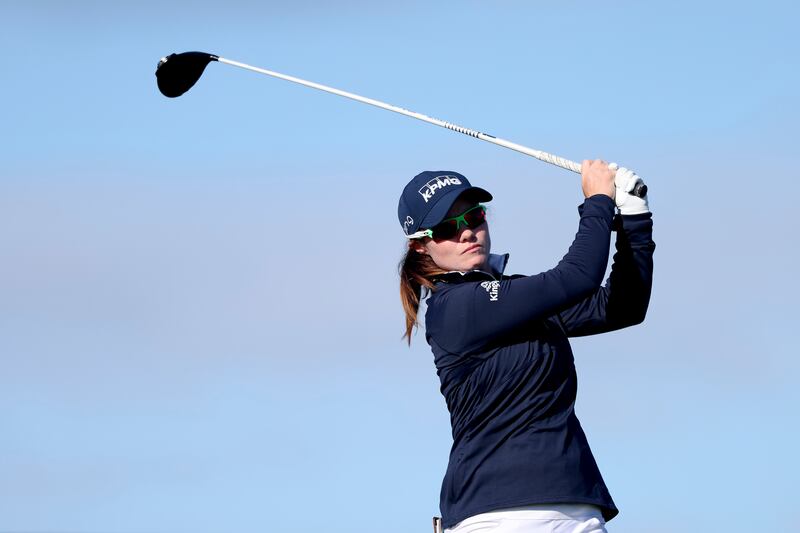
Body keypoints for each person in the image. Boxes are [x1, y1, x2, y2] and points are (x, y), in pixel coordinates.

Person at [397, 162, 655, 533]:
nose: (467, 232)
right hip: (500, 516)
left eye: (474, 217)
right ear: (421, 245)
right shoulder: (454, 307)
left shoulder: (512, 298)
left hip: (578, 508)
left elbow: (623, 307)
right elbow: (578, 276)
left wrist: (634, 218)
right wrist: (597, 200)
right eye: (447, 228)